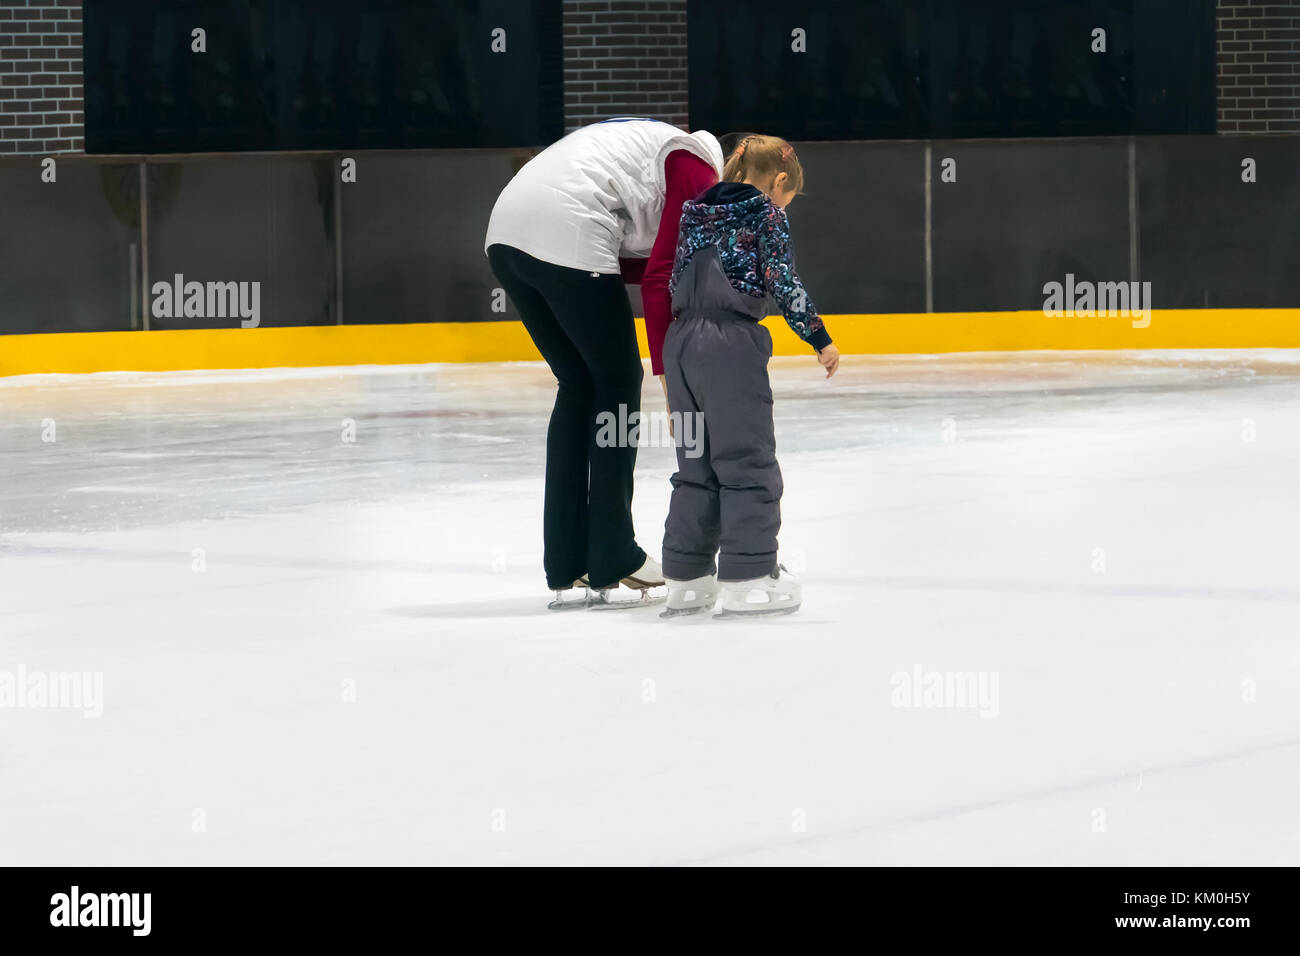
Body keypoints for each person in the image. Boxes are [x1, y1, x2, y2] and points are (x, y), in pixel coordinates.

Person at [484, 118, 726, 608]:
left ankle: (567, 561)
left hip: (505, 235)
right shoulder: (698, 169)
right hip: (566, 226)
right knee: (618, 379)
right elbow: (659, 275)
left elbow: (640, 264)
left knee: (577, 382)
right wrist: (665, 372)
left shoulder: (648, 150)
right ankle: (614, 552)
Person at [659, 134, 841, 618]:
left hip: (680, 347)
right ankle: (750, 572)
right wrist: (818, 337)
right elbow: (783, 280)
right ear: (778, 182)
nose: (785, 205)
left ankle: (686, 574)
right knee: (746, 458)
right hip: (728, 349)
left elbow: (672, 278)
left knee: (695, 463)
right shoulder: (767, 215)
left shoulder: (693, 211)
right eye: (787, 196)